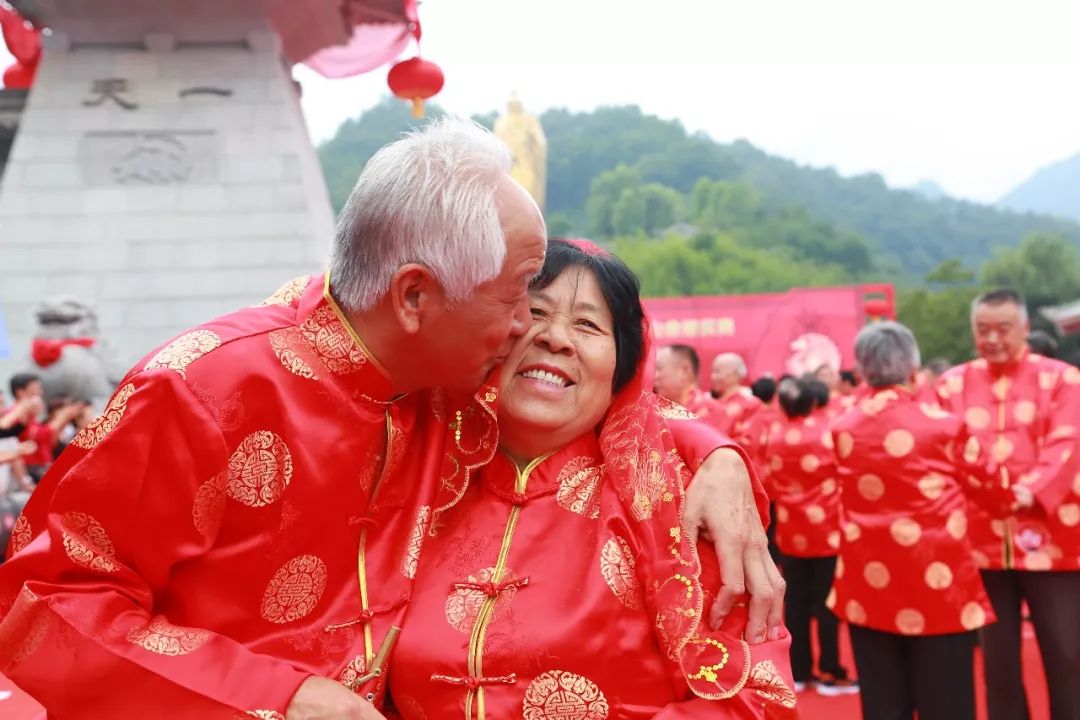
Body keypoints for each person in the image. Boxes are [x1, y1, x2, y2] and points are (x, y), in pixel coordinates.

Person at [0, 120, 783, 719]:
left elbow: (598, 402)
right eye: (518, 298)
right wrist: (279, 696)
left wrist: (718, 455)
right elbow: (43, 602)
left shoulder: (443, 391)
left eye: (573, 319)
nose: (530, 330)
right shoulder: (204, 390)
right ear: (415, 297)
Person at [386, 239, 797, 718]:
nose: (556, 338)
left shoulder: (677, 501)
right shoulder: (417, 474)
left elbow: (756, 698)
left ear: (624, 367)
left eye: (587, 324)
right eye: (536, 311)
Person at [830, 321, 997, 720]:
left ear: (862, 369)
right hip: (938, 578)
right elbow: (991, 485)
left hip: (868, 577)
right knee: (948, 702)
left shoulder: (842, 427)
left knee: (884, 701)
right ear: (913, 366)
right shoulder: (945, 424)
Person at [936, 289, 1080, 720]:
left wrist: (1029, 491)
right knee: (997, 664)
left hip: (1052, 540)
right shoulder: (951, 385)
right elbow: (939, 452)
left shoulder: (1064, 380)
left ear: (1026, 328)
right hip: (981, 542)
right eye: (983, 329)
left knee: (1067, 654)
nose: (993, 338)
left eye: (1003, 328)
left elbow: (1069, 443)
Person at [766, 377, 854, 696]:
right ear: (813, 403)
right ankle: (830, 670)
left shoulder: (775, 436)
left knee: (796, 603)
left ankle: (800, 670)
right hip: (826, 532)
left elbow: (770, 483)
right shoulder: (827, 433)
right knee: (827, 603)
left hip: (791, 531)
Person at [653, 344, 724, 422]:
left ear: (685, 371)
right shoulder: (653, 410)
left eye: (659, 368)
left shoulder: (711, 411)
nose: (654, 376)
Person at [709, 352, 762, 441]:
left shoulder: (751, 405)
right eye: (713, 371)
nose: (713, 377)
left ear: (734, 375)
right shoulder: (709, 404)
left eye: (717, 371)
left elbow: (749, 440)